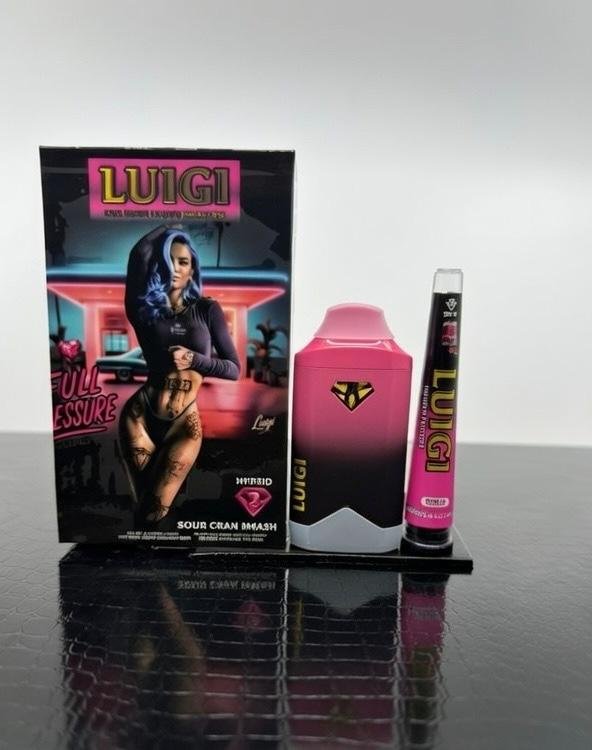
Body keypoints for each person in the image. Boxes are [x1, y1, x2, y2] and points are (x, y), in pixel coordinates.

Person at [119, 226, 240, 528]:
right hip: (140, 417)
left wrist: (195, 360)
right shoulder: (144, 311)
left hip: (184, 424)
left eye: (183, 261)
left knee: (154, 509)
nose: (175, 267)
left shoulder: (207, 309)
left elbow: (234, 368)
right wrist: (169, 227)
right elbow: (138, 256)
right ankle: (137, 556)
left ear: (192, 269)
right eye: (168, 260)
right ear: (159, 265)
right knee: (142, 504)